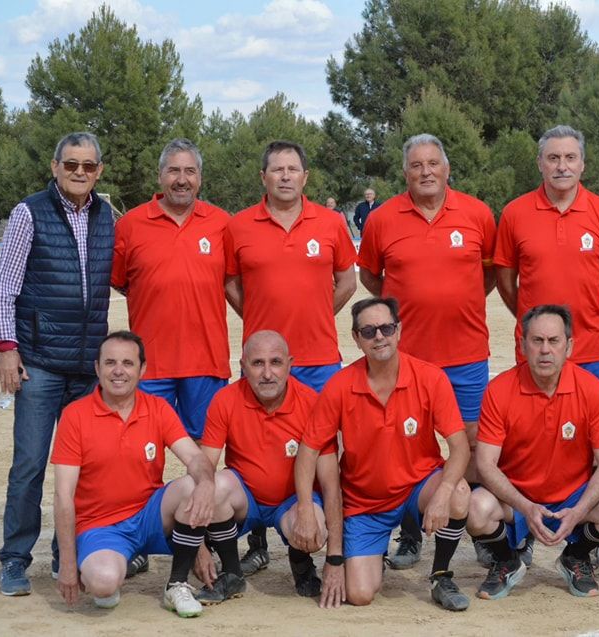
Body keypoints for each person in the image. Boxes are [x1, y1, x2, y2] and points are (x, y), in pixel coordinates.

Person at [358, 133, 496, 568]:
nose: (426, 172)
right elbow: (370, 279)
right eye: (416, 165)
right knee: (404, 448)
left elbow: (489, 274)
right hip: (408, 359)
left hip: (467, 354)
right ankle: (412, 533)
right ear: (405, 172)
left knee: (472, 446)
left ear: (447, 168)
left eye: (433, 163)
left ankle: (474, 528)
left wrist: (458, 301)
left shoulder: (476, 213)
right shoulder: (381, 219)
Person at [494, 124, 599, 568]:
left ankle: (589, 536)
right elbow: (507, 282)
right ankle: (527, 525)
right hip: (536, 352)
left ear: (583, 163)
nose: (562, 165)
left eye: (570, 157)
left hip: (592, 350)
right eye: (553, 158)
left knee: (588, 446)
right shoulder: (515, 213)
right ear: (540, 163)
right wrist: (536, 328)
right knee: (529, 441)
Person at [0, 131, 114, 596]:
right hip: (38, 364)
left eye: (88, 165)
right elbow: (5, 285)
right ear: (55, 167)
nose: (79, 172)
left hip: (87, 369)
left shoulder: (107, 215)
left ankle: (70, 555)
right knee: (29, 466)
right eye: (71, 164)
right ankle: (16, 559)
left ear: (99, 171)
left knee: (86, 470)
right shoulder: (28, 212)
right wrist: (7, 347)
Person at [224, 140, 357, 573]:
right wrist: (264, 328)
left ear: (305, 177)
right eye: (276, 169)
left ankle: (316, 538)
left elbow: (347, 282)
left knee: (323, 451)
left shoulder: (331, 223)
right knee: (251, 446)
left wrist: (316, 314)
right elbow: (230, 285)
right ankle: (257, 541)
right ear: (263, 177)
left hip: (319, 361)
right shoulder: (239, 226)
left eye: (292, 168)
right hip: (263, 363)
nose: (284, 175)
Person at [294, 297, 472, 611]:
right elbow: (308, 452)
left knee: (458, 492)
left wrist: (442, 492)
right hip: (366, 503)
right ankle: (376, 558)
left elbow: (459, 447)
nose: (379, 336)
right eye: (368, 330)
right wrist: (306, 506)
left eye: (386, 327)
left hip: (418, 486)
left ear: (399, 330)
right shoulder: (339, 386)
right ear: (356, 339)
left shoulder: (430, 378)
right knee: (359, 594)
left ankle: (441, 574)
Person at [468, 305, 599, 599]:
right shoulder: (499, 389)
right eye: (537, 340)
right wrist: (526, 507)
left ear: (569, 346)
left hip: (572, 497)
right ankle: (506, 561)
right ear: (522, 345)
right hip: (516, 497)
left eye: (554, 341)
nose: (545, 350)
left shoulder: (591, 389)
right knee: (475, 509)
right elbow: (485, 464)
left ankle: (576, 557)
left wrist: (579, 510)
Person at [51, 331, 217, 617]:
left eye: (128, 363)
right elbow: (63, 496)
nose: (118, 371)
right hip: (101, 525)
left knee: (195, 482)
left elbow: (195, 458)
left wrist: (205, 488)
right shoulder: (75, 415)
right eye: (110, 362)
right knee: (102, 584)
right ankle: (114, 566)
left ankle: (176, 584)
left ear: (142, 370)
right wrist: (67, 563)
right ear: (97, 368)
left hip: (150, 515)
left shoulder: (158, 408)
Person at [193, 331, 344, 609]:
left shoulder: (312, 403)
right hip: (246, 497)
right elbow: (203, 471)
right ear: (242, 365)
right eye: (257, 363)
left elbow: (331, 482)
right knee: (214, 486)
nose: (267, 373)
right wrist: (195, 546)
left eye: (275, 362)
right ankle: (232, 572)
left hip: (292, 501)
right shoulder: (225, 399)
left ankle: (301, 562)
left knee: (316, 532)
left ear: (290, 364)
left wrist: (335, 558)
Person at [112, 138, 231, 442]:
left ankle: (201, 494)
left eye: (190, 171)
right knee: (144, 447)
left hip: (206, 360)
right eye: (173, 171)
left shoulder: (222, 223)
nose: (181, 180)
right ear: (160, 175)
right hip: (150, 363)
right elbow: (122, 281)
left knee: (207, 448)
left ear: (200, 178)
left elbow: (234, 281)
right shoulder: (130, 224)